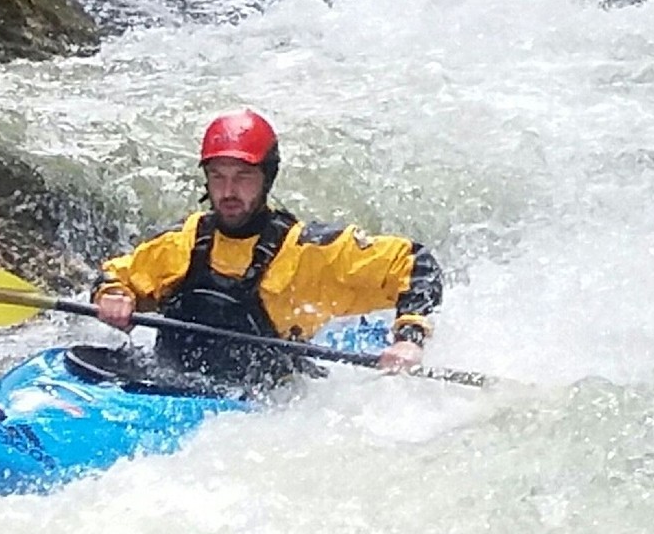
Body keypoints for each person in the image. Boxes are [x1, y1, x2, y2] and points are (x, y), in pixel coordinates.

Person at [92, 109, 443, 388]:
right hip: (170, 382)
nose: (229, 191)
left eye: (243, 176)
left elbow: (415, 262)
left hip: (263, 403)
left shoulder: (308, 252)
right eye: (218, 176)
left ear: (267, 178)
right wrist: (113, 293)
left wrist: (408, 338)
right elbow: (116, 275)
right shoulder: (183, 242)